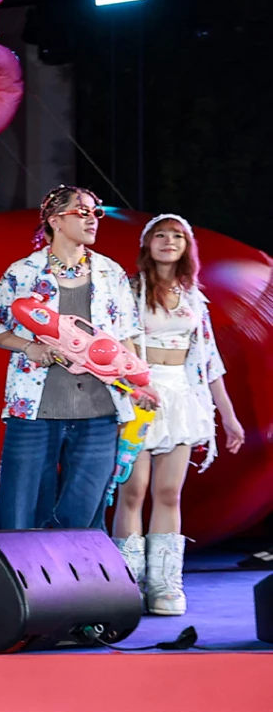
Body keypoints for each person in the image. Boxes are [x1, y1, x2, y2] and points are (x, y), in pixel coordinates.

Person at [0, 185, 153, 534]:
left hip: (99, 407)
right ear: (55, 220)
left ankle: (71, 565)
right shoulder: (23, 272)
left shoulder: (110, 273)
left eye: (97, 213)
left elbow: (125, 337)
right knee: (22, 505)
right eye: (83, 212)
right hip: (35, 408)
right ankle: (22, 567)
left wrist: (139, 384)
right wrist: (29, 347)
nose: (93, 220)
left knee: (86, 508)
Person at [110, 214, 243, 614]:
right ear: (147, 244)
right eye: (161, 235)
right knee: (133, 491)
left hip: (181, 398)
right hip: (139, 396)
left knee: (169, 492)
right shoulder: (129, 290)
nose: (169, 242)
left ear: (187, 247)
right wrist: (135, 388)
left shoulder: (193, 297)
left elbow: (209, 361)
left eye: (177, 237)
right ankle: (128, 583)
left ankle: (165, 584)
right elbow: (116, 345)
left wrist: (229, 417)